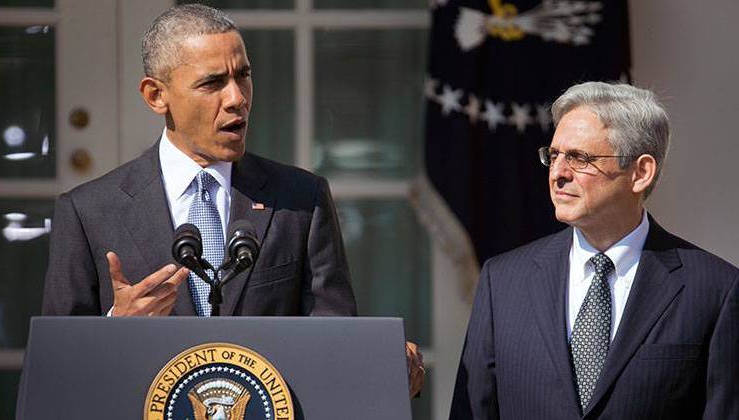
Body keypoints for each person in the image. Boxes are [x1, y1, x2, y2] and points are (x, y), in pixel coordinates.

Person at [41, 4, 424, 397]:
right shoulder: (88, 211)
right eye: (212, 83)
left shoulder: (300, 200)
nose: (237, 98)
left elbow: (335, 341)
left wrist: (383, 365)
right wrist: (114, 328)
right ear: (156, 95)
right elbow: (53, 377)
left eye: (243, 76)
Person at [449, 81, 738, 419]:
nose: (557, 173)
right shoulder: (502, 282)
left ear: (640, 172)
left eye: (579, 158)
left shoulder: (716, 289)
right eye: (553, 155)